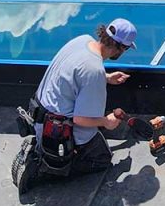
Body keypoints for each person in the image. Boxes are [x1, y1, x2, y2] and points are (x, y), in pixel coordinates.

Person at [11, 18, 137, 194]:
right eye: (125, 48)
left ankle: (40, 147)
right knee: (101, 158)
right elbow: (80, 120)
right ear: (121, 48)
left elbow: (73, 72)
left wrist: (106, 78)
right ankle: (39, 166)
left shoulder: (81, 40)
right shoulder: (94, 71)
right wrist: (106, 121)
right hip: (56, 129)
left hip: (38, 113)